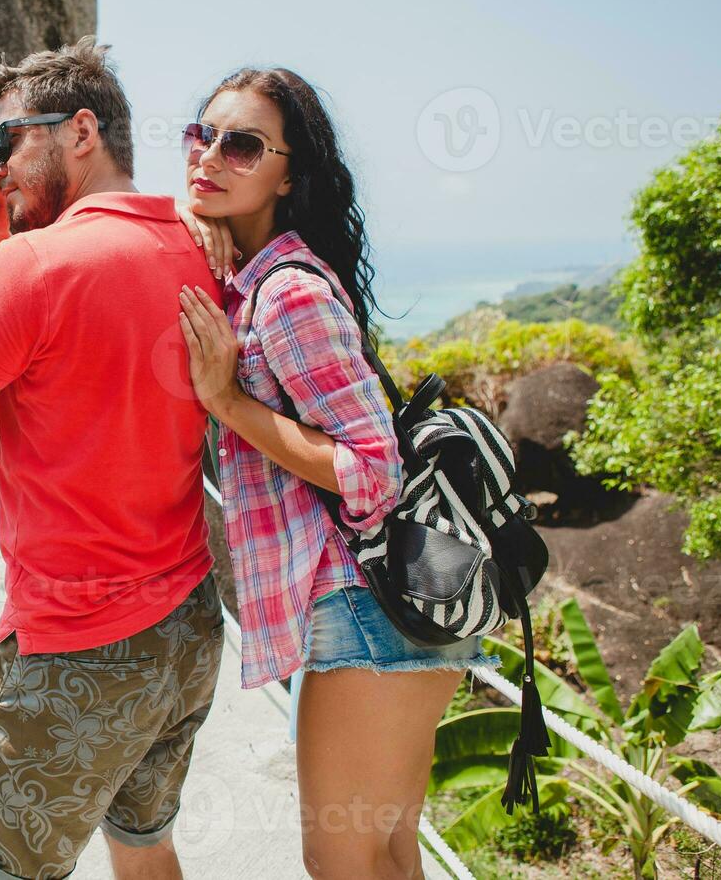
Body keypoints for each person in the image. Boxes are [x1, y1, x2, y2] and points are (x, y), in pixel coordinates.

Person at [0, 36, 224, 880]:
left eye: (7, 141)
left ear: (82, 131)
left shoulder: (29, 270)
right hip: (186, 626)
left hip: (77, 651)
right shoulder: (195, 245)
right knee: (144, 845)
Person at [172, 67, 503, 880]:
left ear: (288, 175)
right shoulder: (263, 280)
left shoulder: (286, 294)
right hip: (389, 609)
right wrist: (191, 214)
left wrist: (224, 400)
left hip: (365, 608)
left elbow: (371, 473)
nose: (211, 155)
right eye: (200, 134)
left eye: (242, 145)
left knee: (342, 861)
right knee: (386, 853)